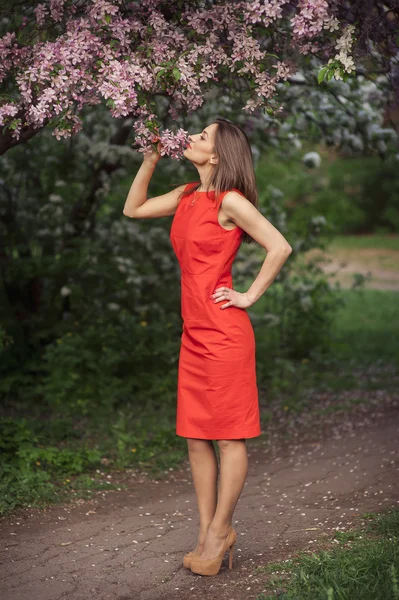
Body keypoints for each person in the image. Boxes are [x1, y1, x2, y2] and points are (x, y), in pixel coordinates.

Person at [123, 117, 292, 576]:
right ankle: (205, 534)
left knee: (227, 435)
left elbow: (279, 246)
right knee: (196, 436)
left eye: (201, 137)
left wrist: (248, 296)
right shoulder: (186, 195)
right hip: (193, 332)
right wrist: (150, 159)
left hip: (224, 333)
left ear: (217, 156)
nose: (192, 138)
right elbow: (132, 209)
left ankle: (221, 531)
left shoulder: (230, 201)